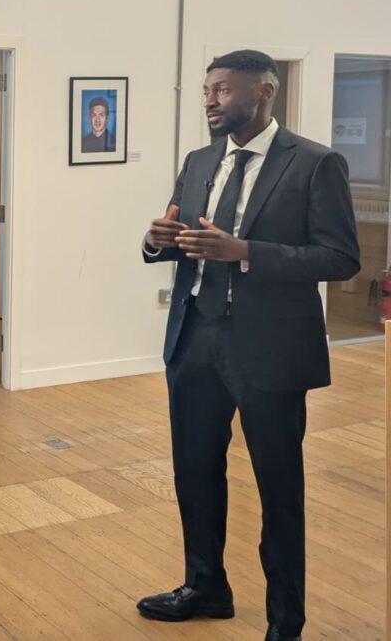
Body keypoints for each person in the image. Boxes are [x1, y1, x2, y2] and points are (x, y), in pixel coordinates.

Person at [137, 49, 360, 641]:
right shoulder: (199, 160)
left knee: (278, 490)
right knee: (194, 472)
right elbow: (182, 237)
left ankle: (285, 621)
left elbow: (341, 258)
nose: (210, 101)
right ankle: (205, 586)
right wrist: (158, 241)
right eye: (206, 90)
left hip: (270, 348)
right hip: (194, 337)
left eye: (223, 90)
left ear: (264, 92)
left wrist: (246, 253)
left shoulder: (315, 163)